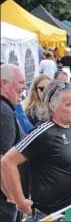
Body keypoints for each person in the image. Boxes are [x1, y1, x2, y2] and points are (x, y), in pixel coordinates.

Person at [1, 81, 71, 220]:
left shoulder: (70, 127)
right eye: (69, 104)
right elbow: (7, 162)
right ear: (53, 106)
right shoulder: (43, 132)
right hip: (49, 215)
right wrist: (20, 201)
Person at [0, 64, 28, 221]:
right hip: (4, 203)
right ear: (4, 83)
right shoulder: (3, 112)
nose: (25, 87)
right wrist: (13, 200)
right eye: (21, 82)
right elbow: (2, 160)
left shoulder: (6, 108)